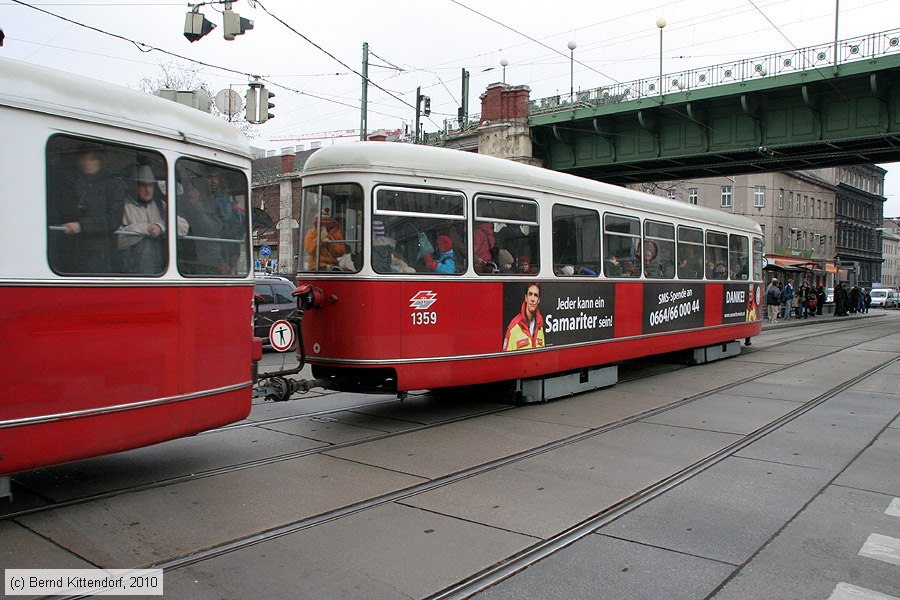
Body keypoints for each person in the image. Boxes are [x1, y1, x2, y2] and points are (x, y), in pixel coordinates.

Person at [48, 143, 126, 274]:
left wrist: (82, 226)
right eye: (83, 157)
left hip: (100, 255)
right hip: (67, 254)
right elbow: (57, 211)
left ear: (101, 161)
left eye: (92, 158)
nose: (87, 162)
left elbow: (113, 220)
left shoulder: (114, 186)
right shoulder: (67, 184)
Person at [116, 165, 168, 274]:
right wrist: (146, 229)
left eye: (151, 185)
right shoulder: (122, 206)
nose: (148, 190)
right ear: (133, 186)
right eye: (143, 185)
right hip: (132, 272)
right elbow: (117, 241)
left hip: (160, 270)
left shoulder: (160, 205)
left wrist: (160, 226)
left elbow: (183, 226)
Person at [503, 282, 545, 351]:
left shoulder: (540, 326)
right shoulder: (513, 327)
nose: (532, 299)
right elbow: (506, 359)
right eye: (530, 294)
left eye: (536, 295)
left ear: (538, 300)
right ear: (526, 298)